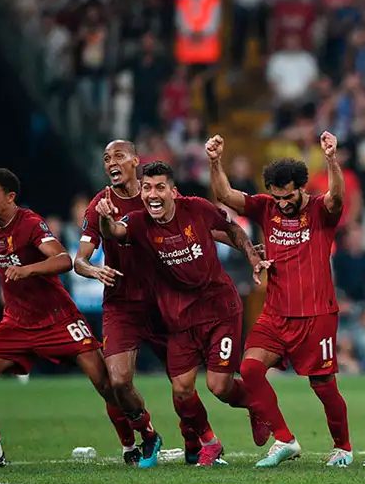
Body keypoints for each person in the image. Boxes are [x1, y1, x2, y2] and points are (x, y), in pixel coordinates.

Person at [95, 161, 271, 467]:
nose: (152, 194)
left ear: (173, 192)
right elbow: (113, 232)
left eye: (159, 187)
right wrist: (104, 219)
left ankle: (256, 404)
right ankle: (210, 444)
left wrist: (253, 255)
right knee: (182, 390)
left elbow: (231, 228)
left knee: (219, 386)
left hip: (219, 309)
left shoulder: (197, 209)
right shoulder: (138, 223)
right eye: (147, 188)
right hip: (179, 318)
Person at [205, 131, 354, 468]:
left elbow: (337, 197)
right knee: (250, 369)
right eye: (277, 196)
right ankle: (285, 439)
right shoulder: (265, 207)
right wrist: (215, 162)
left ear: (300, 187)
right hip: (275, 312)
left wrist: (331, 158)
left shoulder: (319, 210)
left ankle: (343, 447)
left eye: (288, 197)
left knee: (324, 386)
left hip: (316, 315)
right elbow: (224, 194)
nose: (282, 203)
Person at [0, 169, 121, 467]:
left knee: (105, 383)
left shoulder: (31, 222)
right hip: (16, 322)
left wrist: (28, 270)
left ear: (10, 197)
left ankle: (133, 445)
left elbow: (63, 260)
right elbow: (12, 256)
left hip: (58, 318)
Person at [77, 140, 202, 467]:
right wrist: (93, 268)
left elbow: (197, 224)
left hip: (163, 301)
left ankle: (196, 442)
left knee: (182, 383)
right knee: (118, 380)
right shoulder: (99, 206)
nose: (111, 162)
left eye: (118, 156)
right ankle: (147, 434)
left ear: (135, 160)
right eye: (106, 158)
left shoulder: (155, 197)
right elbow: (79, 259)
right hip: (121, 304)